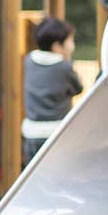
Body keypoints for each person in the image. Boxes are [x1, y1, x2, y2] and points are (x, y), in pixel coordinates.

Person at [22, 18, 83, 167]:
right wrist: (68, 61)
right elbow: (78, 88)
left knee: (33, 175)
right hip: (56, 132)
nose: (72, 45)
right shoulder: (64, 67)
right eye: (70, 41)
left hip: (32, 132)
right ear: (57, 46)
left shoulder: (29, 60)